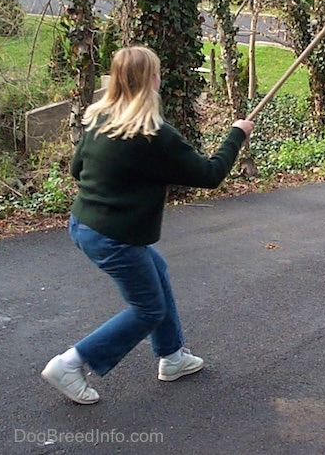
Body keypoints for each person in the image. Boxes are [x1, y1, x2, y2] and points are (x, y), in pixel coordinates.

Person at [41, 46, 254, 404]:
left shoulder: (100, 119)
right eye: (156, 72)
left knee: (156, 269)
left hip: (83, 224)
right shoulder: (155, 135)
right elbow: (210, 174)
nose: (159, 78)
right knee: (147, 309)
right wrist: (237, 133)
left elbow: (78, 170)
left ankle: (172, 356)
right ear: (150, 79)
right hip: (114, 238)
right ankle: (72, 362)